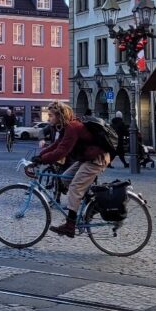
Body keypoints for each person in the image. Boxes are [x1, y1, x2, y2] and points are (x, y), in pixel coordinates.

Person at [29, 100, 109, 239]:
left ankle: (70, 225)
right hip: (87, 158)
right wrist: (39, 156)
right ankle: (89, 201)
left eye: (51, 115)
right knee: (65, 178)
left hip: (97, 159)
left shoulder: (72, 127)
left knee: (75, 187)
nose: (49, 118)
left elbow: (61, 151)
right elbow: (57, 145)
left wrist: (42, 160)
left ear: (59, 116)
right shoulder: (68, 127)